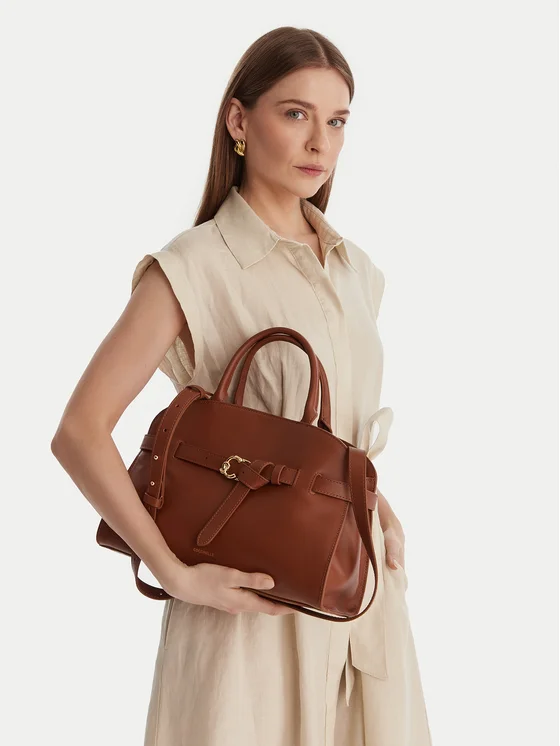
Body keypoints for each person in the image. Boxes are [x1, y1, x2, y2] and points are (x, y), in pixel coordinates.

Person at [51, 26, 432, 746]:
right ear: (239, 120)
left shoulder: (357, 270)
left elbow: (323, 433)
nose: (320, 142)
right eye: (296, 113)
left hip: (357, 598)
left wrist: (376, 506)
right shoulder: (195, 266)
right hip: (247, 616)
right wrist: (174, 573)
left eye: (337, 121)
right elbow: (79, 431)